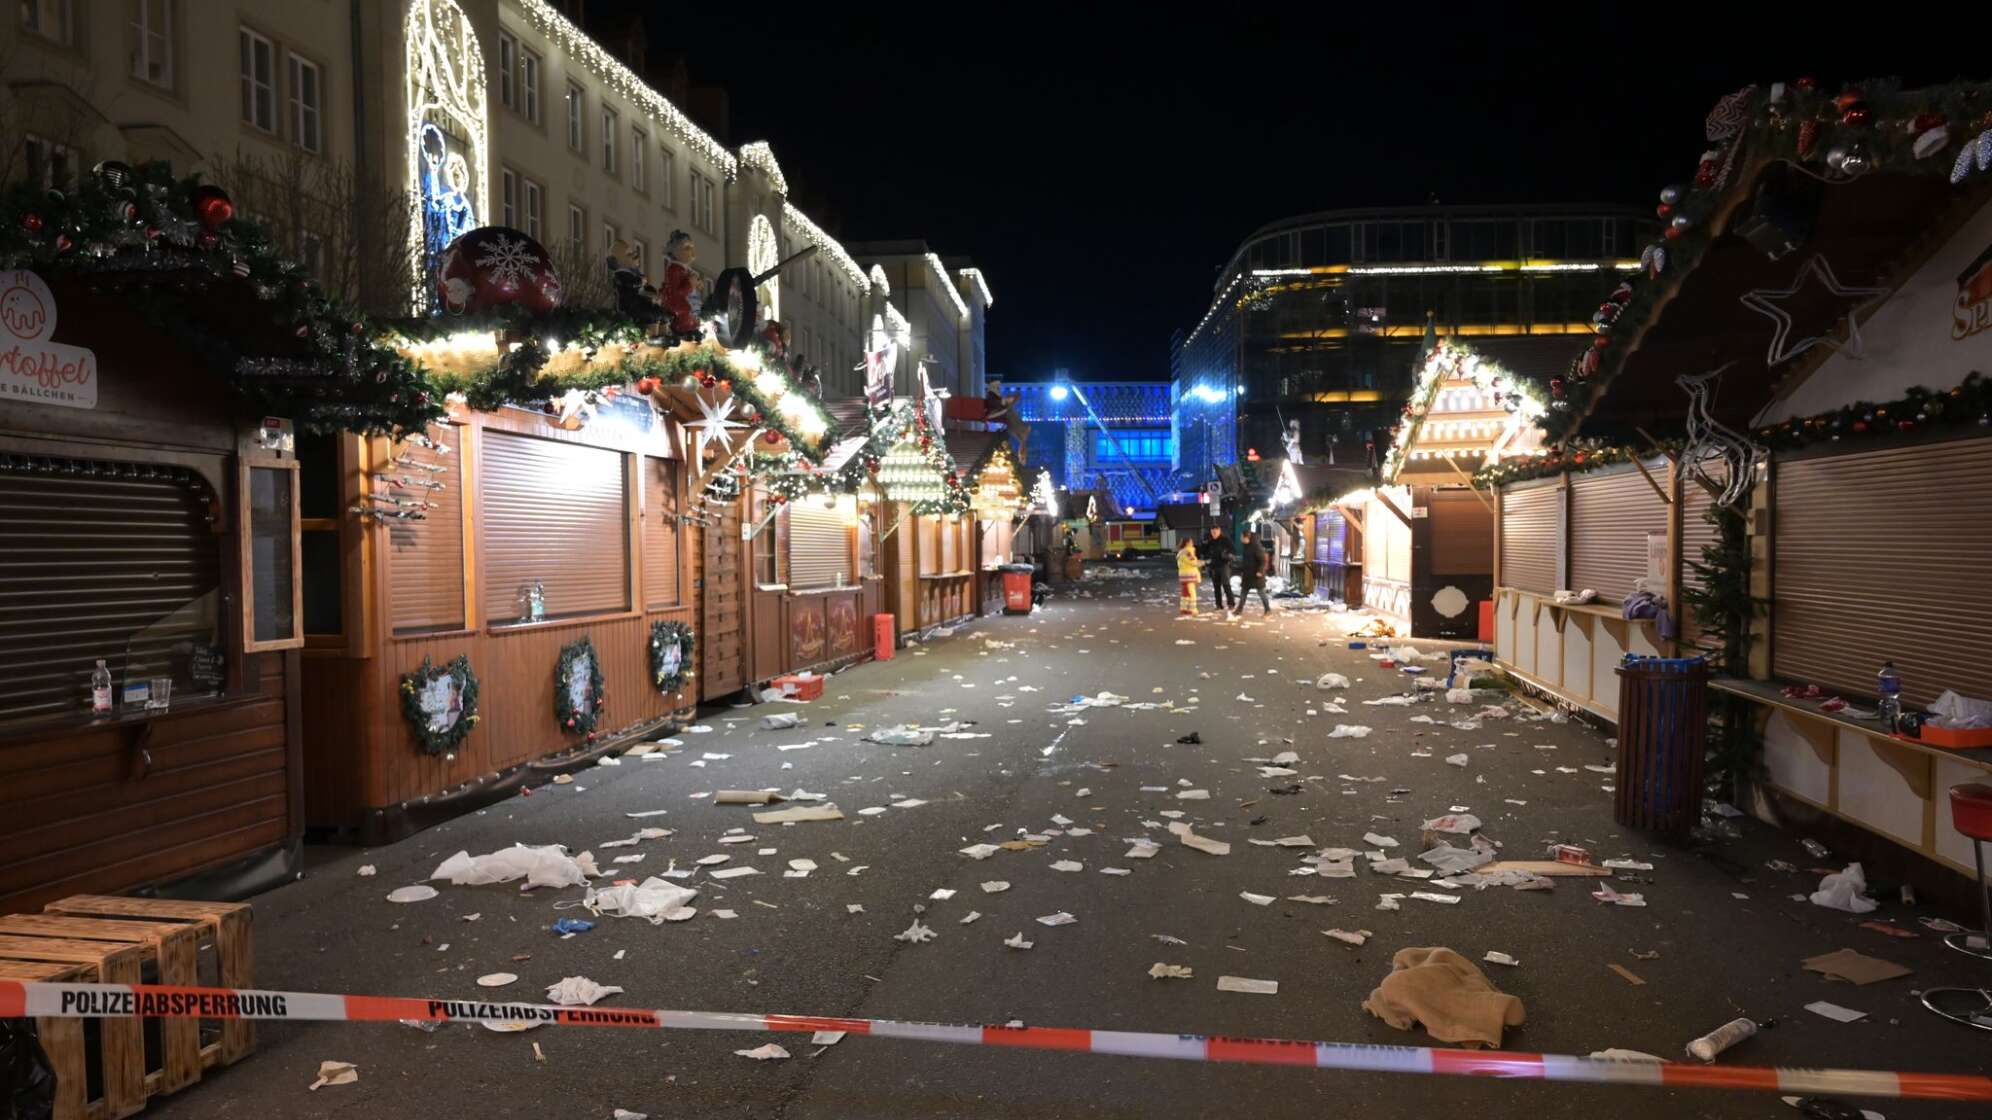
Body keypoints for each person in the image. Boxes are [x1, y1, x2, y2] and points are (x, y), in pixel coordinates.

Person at [1199, 525, 1236, 613]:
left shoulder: (1225, 540)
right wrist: (1204, 544)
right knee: (1216, 587)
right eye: (1212, 532)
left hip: (1224, 566)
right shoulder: (1210, 541)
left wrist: (1227, 555)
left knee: (1226, 585)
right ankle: (1218, 605)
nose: (1214, 533)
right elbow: (1203, 551)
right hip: (1213, 567)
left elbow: (1233, 551)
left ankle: (1231, 604)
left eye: (1215, 531)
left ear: (1219, 531)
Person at [1237, 529, 1272, 615]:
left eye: (1241, 537)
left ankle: (1268, 610)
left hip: (1256, 574)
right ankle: (1239, 609)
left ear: (1246, 537)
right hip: (1247, 574)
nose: (1240, 538)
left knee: (1261, 592)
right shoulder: (1246, 545)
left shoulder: (1256, 546)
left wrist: (1260, 571)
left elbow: (1263, 560)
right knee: (1243, 592)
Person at [1175, 537, 1203, 615]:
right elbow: (1193, 562)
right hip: (1189, 576)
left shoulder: (1181, 552)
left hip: (1183, 576)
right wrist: (1203, 563)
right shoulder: (1188, 551)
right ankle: (1192, 609)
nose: (1192, 543)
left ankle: (1184, 608)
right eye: (1191, 542)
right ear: (1187, 543)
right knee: (1192, 593)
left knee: (1185, 593)